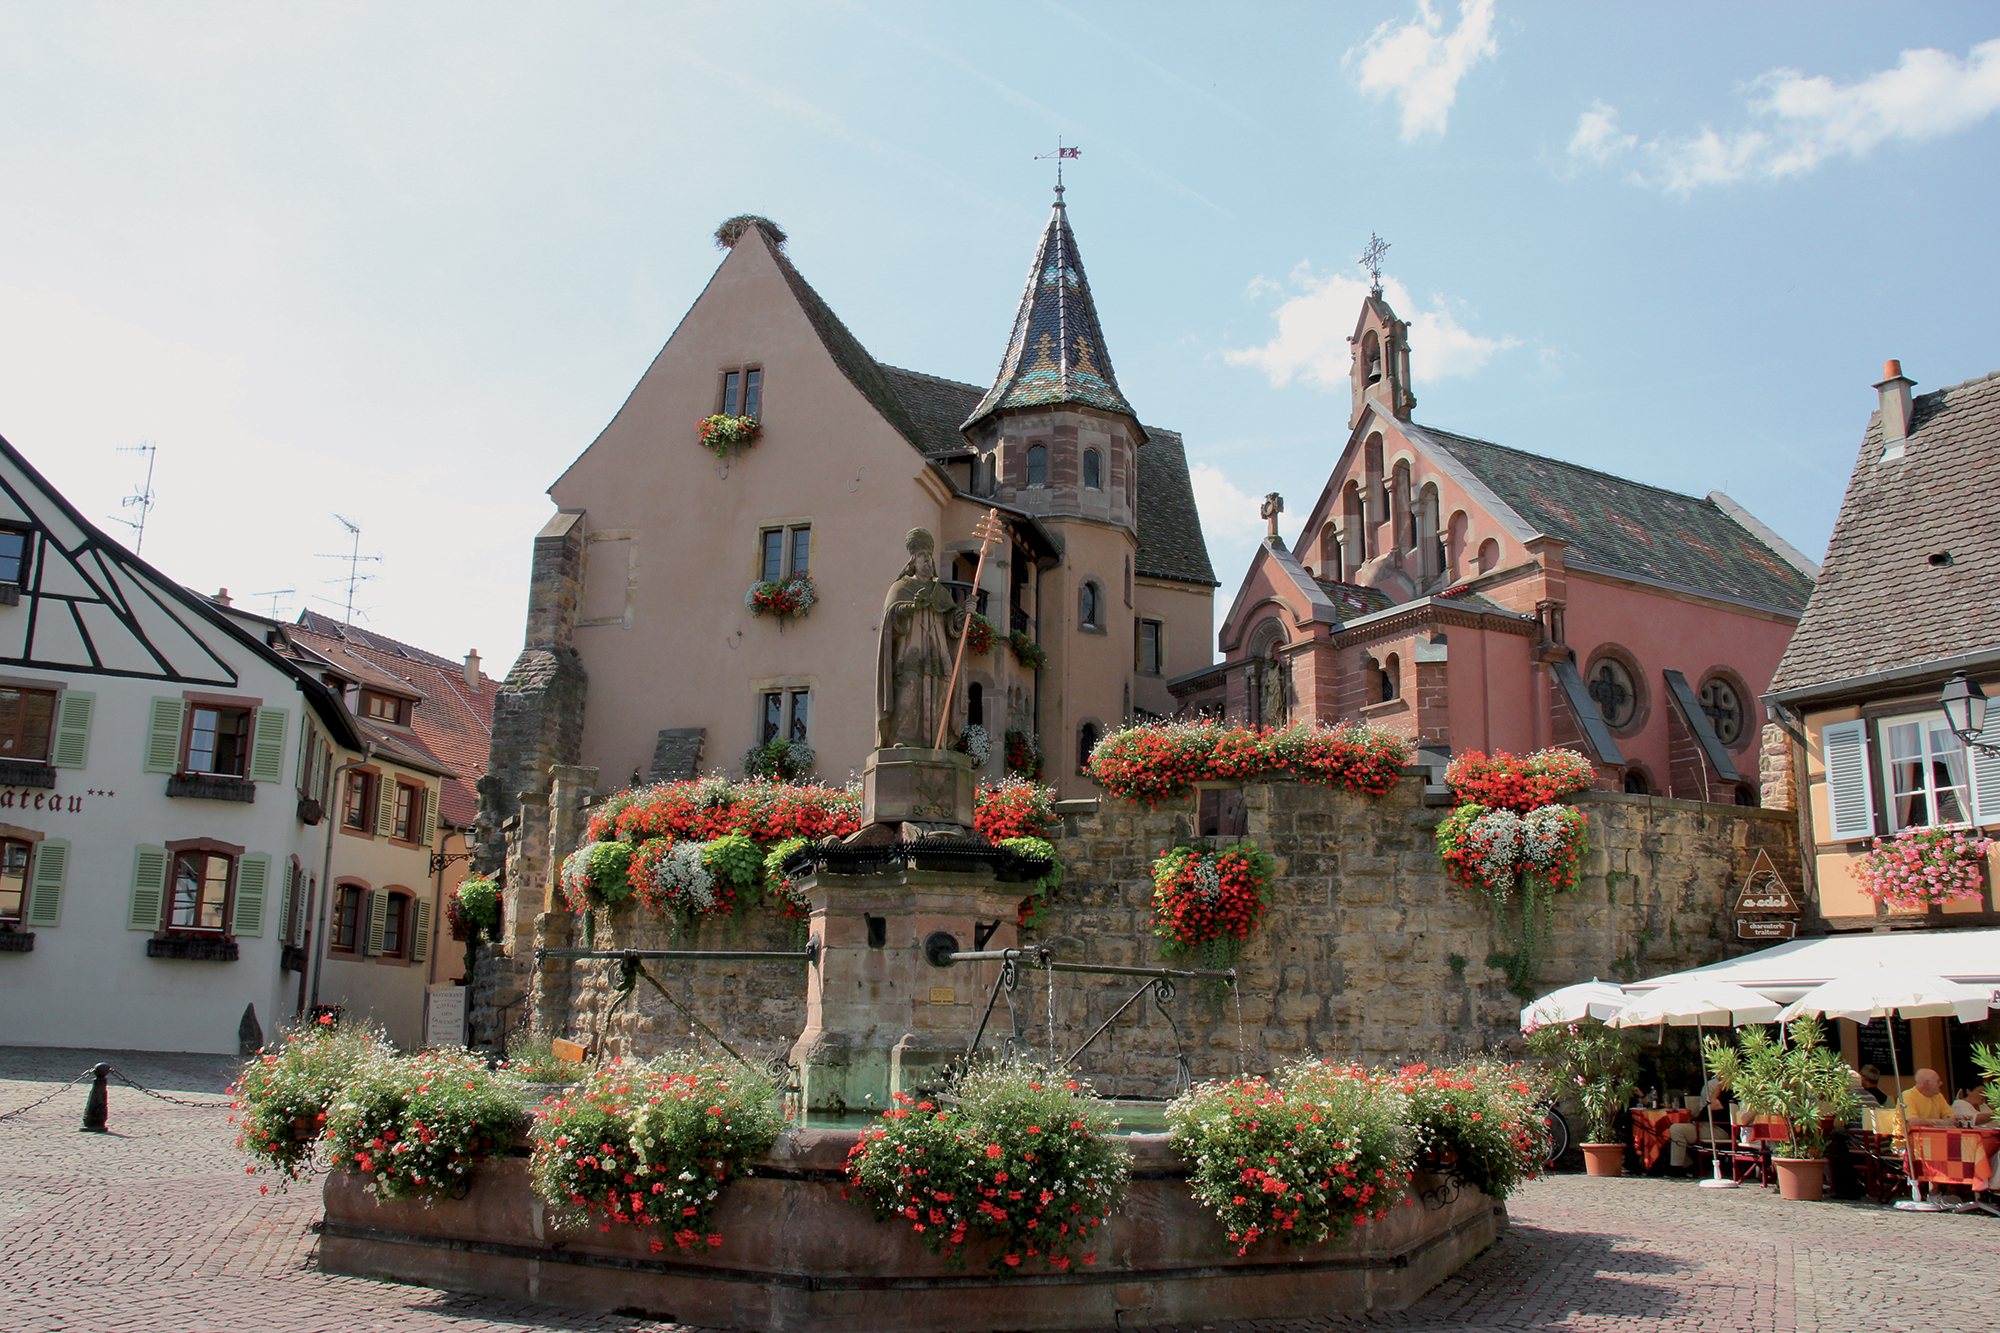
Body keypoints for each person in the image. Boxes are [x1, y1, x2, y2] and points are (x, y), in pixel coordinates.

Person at [1668, 1073, 1733, 1170]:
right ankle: (1686, 1164)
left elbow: (1713, 1106)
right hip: (1707, 1126)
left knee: (1676, 1129)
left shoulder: (1727, 1093)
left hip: (1719, 1129)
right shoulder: (1721, 1091)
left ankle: (1678, 1168)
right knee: (1670, 1129)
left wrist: (1719, 1087)